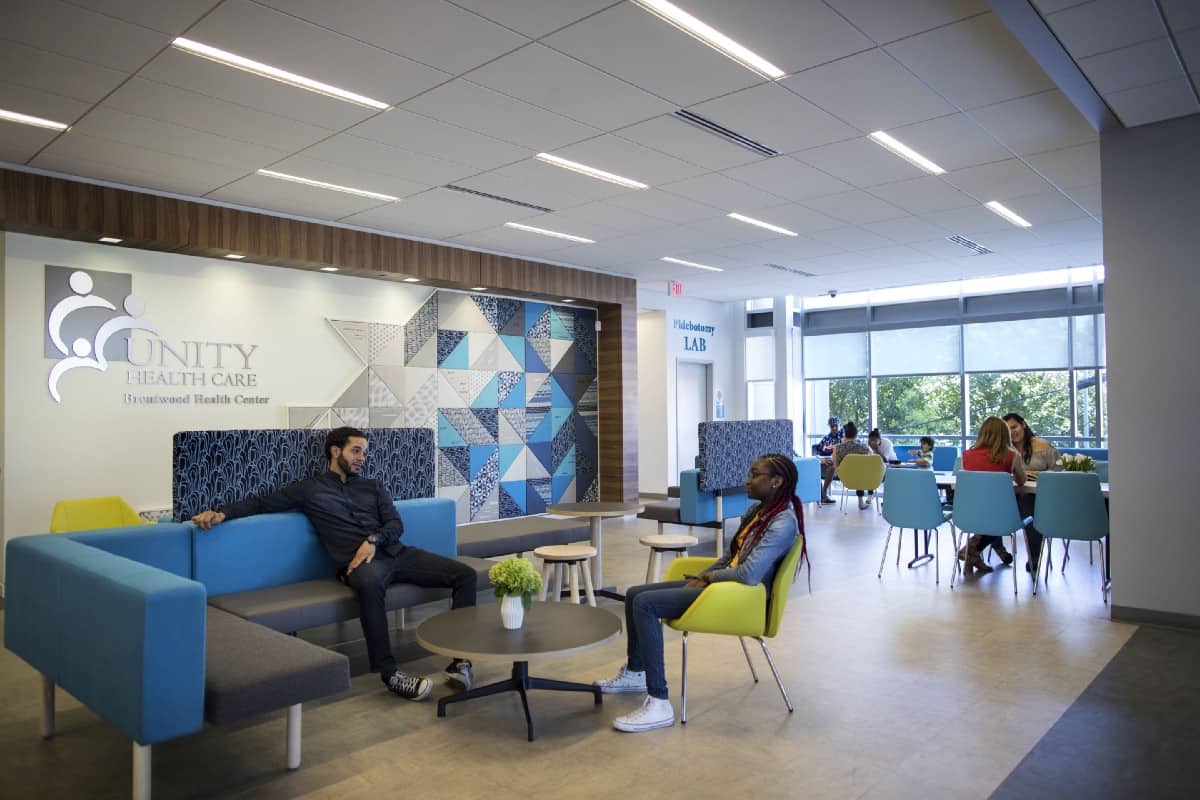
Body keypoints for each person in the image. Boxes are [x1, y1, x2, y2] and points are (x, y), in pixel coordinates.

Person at [191, 426, 477, 701]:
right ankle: (390, 674)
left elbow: (395, 524)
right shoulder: (309, 489)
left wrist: (373, 540)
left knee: (464, 574)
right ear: (335, 451)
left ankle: (460, 661)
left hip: (396, 553)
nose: (361, 458)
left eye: (363, 452)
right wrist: (221, 514)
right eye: (356, 451)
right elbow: (261, 503)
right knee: (370, 585)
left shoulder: (373, 486)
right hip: (357, 565)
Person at [594, 454, 804, 732]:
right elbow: (730, 558)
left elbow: (749, 574)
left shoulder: (782, 522)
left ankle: (659, 702)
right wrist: (701, 577)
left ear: (776, 481)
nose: (747, 480)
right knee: (635, 593)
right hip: (722, 587)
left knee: (645, 604)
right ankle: (636, 672)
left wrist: (708, 578)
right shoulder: (757, 511)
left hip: (738, 597)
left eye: (755, 475)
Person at [959, 417, 1027, 574]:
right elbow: (1022, 481)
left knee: (991, 514)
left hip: (971, 512)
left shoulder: (967, 455)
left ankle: (973, 552)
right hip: (1000, 515)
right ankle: (971, 549)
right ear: (1005, 434)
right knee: (1006, 513)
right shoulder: (1011, 455)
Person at [1003, 413, 1060, 573]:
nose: (1012, 432)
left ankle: (1034, 556)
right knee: (992, 504)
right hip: (1011, 495)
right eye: (1008, 429)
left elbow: (1058, 471)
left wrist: (1035, 475)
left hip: (1040, 497)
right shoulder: (1005, 449)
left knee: (1028, 502)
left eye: (1014, 427)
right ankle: (996, 549)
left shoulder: (1043, 446)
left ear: (1023, 425)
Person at [822, 422, 873, 508]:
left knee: (835, 468)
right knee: (860, 470)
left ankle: (823, 492)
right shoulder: (865, 447)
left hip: (845, 478)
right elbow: (871, 461)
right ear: (856, 434)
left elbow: (836, 465)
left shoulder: (837, 448)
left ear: (844, 434)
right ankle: (861, 501)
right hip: (862, 478)